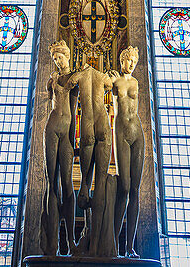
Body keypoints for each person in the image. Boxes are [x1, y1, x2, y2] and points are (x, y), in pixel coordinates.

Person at [68, 62, 117, 255]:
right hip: (103, 122)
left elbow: (68, 84)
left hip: (87, 124)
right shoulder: (103, 77)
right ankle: (96, 242)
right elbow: (112, 83)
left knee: (85, 185)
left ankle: (87, 236)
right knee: (102, 183)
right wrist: (111, 77)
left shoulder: (79, 76)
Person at [41, 41, 78, 256]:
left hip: (66, 132)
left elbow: (73, 112)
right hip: (52, 127)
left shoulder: (74, 80)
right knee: (51, 182)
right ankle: (51, 243)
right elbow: (50, 103)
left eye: (60, 57)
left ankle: (71, 240)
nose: (57, 61)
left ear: (67, 55)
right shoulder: (52, 80)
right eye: (55, 59)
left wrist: (73, 140)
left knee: (67, 185)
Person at [112, 46, 145, 257]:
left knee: (135, 190)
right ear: (122, 60)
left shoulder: (136, 82)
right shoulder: (114, 80)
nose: (131, 64)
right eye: (128, 60)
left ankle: (129, 246)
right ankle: (114, 243)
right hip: (121, 130)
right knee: (123, 187)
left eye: (134, 60)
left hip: (137, 132)